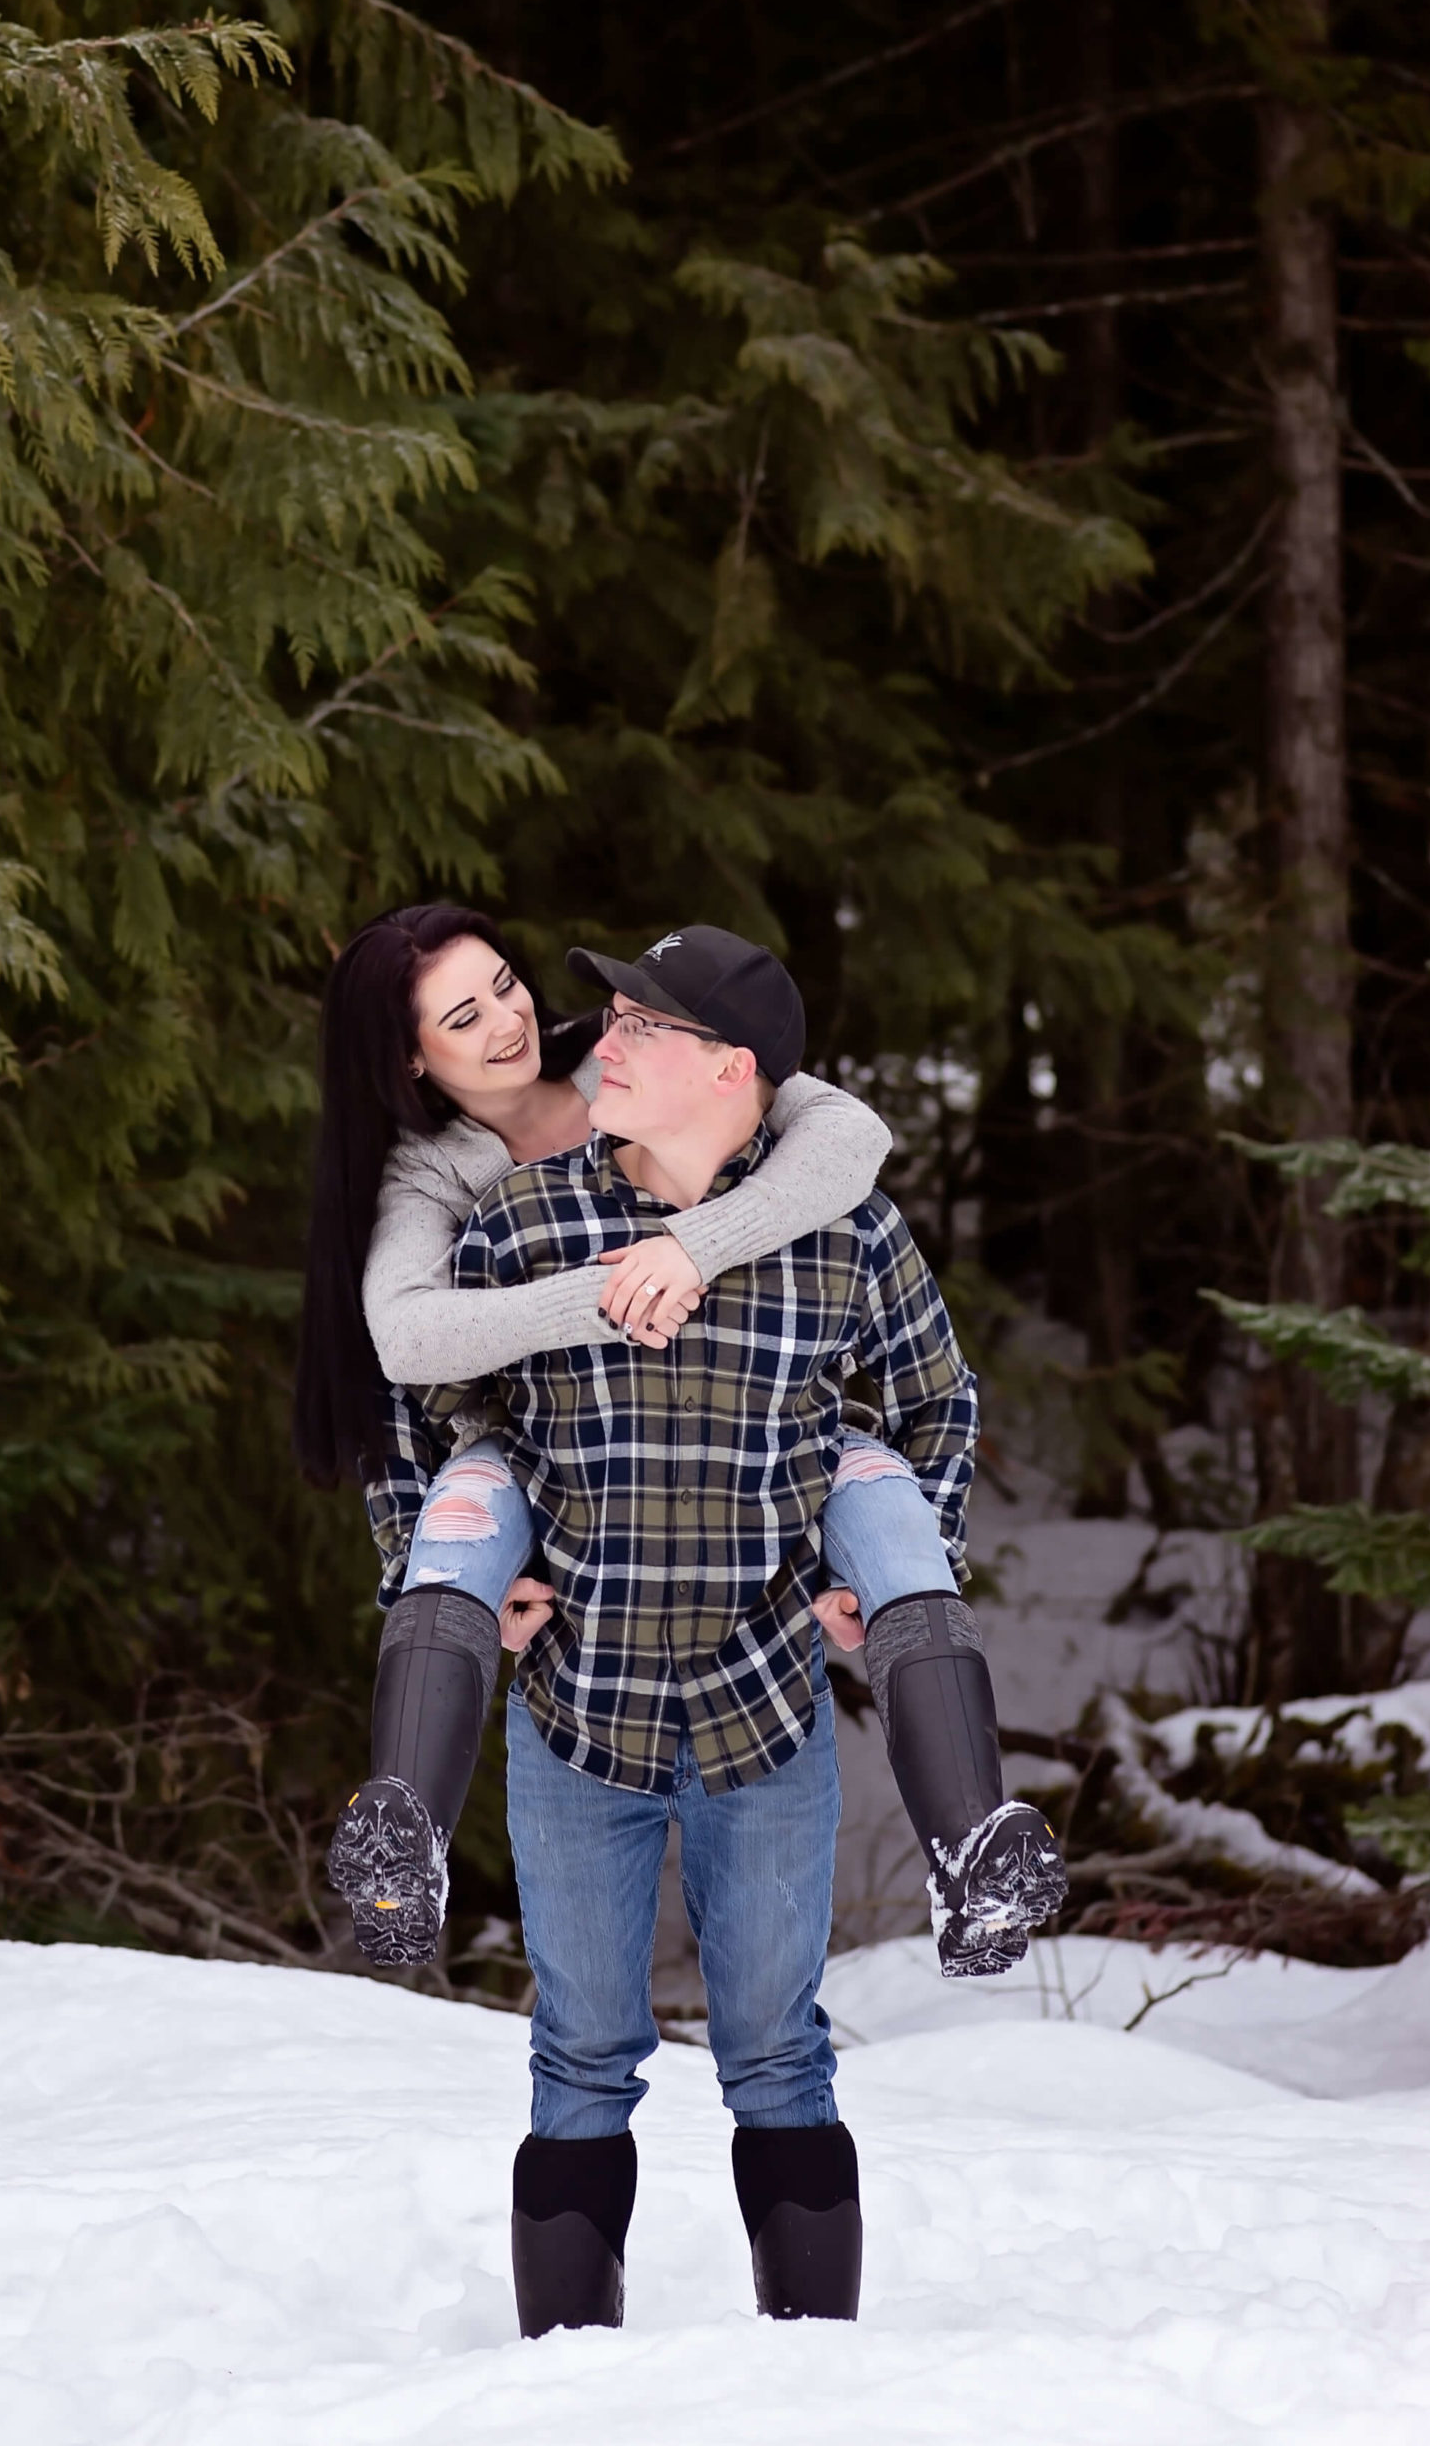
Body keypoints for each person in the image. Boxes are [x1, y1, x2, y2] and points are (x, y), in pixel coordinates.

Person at [348, 921, 1066, 2336]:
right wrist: (464, 1575)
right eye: (605, 1016)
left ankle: (814, 2382)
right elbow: (416, 1418)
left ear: (730, 1070)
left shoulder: (842, 1234)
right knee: (578, 2061)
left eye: (637, 1026)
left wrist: (886, 1558)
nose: (591, 1041)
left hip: (763, 1717)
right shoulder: (521, 1221)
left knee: (778, 2059)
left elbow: (938, 1402)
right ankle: (564, 2388)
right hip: (579, 1720)